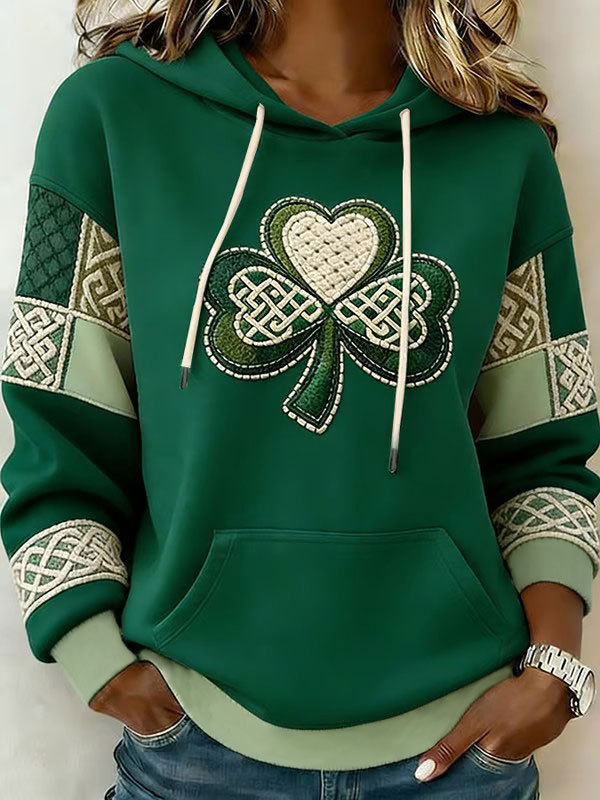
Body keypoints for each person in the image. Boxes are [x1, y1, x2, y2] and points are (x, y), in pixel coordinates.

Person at [1, 1, 598, 797]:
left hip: (462, 749)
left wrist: (555, 669)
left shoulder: (500, 149)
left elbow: (546, 452)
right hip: (196, 745)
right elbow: (56, 427)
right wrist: (94, 657)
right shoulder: (112, 117)